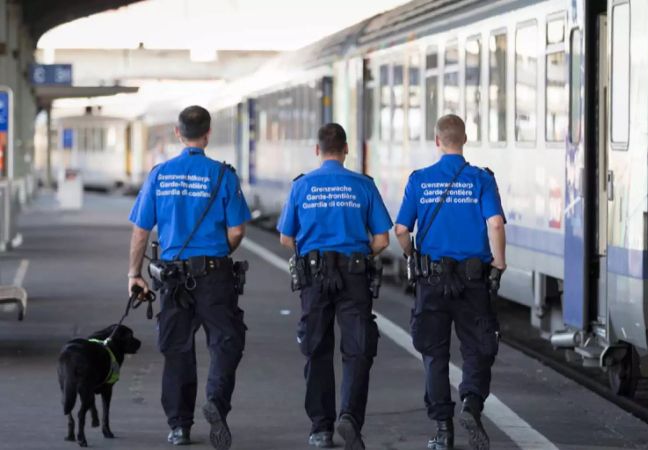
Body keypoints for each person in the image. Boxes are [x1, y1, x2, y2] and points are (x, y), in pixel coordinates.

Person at [128, 105, 251, 450]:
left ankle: (179, 427)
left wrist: (133, 274)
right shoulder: (223, 175)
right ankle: (216, 401)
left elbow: (140, 231)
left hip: (171, 278)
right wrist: (218, 251)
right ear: (208, 134)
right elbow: (238, 229)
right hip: (214, 275)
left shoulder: (160, 174)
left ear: (178, 134)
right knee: (226, 341)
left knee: (177, 349)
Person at [395, 114, 507, 450]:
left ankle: (443, 429)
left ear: (437, 141)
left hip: (432, 281)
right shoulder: (481, 179)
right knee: (477, 348)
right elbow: (496, 224)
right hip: (473, 280)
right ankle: (471, 403)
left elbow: (401, 230)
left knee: (435, 353)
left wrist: (411, 255)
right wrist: (498, 264)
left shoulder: (420, 180)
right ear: (465, 139)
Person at [277, 123, 392, 450]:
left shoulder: (302, 186)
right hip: (355, 277)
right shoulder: (362, 185)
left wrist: (313, 251)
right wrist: (357, 255)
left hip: (314, 278)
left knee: (316, 349)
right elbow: (382, 239)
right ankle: (351, 418)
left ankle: (320, 429)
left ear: (317, 150)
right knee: (357, 348)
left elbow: (286, 237)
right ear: (346, 150)